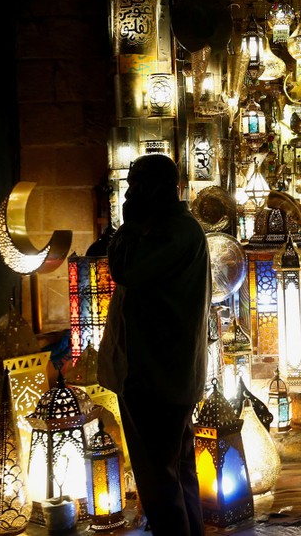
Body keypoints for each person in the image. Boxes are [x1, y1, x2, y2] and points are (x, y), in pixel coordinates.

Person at [107, 154, 212, 536]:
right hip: (163, 374)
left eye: (136, 186)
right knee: (176, 475)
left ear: (158, 188)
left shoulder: (174, 232)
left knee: (160, 486)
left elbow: (125, 269)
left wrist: (129, 225)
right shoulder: (172, 229)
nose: (130, 193)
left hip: (157, 377)